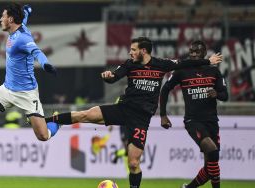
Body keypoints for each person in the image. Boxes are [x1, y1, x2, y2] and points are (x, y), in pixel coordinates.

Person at [45, 36, 223, 188]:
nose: (130, 52)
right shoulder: (130, 65)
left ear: (143, 51)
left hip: (140, 119)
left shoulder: (162, 65)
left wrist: (208, 61)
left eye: (133, 49)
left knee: (133, 163)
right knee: (86, 114)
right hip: (123, 109)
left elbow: (186, 62)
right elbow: (115, 77)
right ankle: (49, 120)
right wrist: (108, 77)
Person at [0, 3, 60, 158]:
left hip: (26, 94)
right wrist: (27, 11)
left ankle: (57, 121)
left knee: (43, 136)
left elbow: (37, 52)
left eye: (3, 16)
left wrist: (45, 64)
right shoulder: (18, 27)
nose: (0, 19)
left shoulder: (23, 39)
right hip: (7, 89)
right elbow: (24, 18)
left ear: (10, 19)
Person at [159, 40, 228, 188]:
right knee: (213, 151)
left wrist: (216, 93)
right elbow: (165, 89)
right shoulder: (182, 71)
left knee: (210, 167)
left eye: (197, 52)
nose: (194, 54)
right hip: (193, 121)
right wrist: (163, 115)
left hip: (212, 121)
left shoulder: (214, 71)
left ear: (204, 53)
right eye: (191, 52)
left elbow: (225, 95)